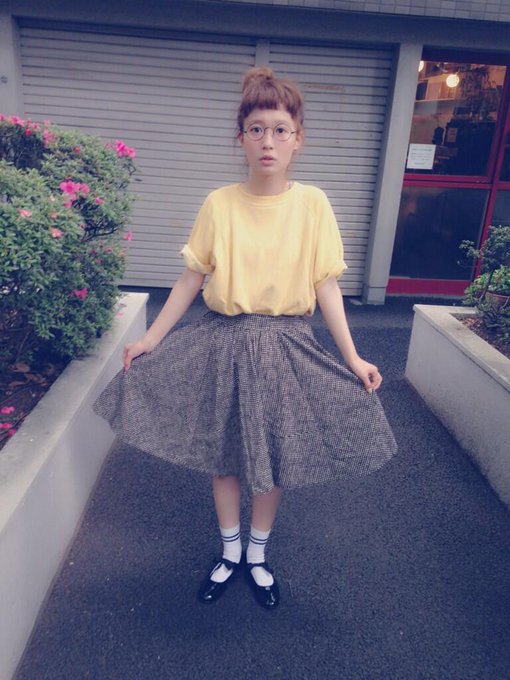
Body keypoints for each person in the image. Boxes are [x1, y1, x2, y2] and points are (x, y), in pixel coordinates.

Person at [93, 67, 397, 610]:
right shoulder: (220, 204)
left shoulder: (313, 205)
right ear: (241, 138)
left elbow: (326, 285)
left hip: (286, 345)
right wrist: (151, 339)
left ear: (298, 139)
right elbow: (191, 279)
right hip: (222, 342)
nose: (268, 141)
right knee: (226, 453)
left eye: (280, 130)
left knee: (273, 456)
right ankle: (230, 552)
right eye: (257, 129)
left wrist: (352, 357)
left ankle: (258, 555)